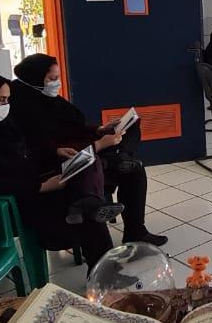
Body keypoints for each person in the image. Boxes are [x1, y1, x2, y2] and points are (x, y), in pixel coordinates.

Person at [0, 71, 120, 269]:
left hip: (25, 185)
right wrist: (41, 187)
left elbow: (25, 151)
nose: (5, 105)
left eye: (7, 99)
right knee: (87, 216)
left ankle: (90, 212)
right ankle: (105, 272)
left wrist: (55, 152)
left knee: (87, 166)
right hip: (2, 206)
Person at [11, 54, 166, 246]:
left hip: (87, 148)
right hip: (67, 165)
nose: (57, 83)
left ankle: (122, 159)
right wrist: (99, 145)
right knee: (134, 171)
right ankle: (117, 162)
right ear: (35, 79)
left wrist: (100, 130)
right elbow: (52, 149)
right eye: (52, 79)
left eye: (58, 77)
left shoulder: (50, 101)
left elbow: (74, 127)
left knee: (132, 128)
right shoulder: (25, 110)